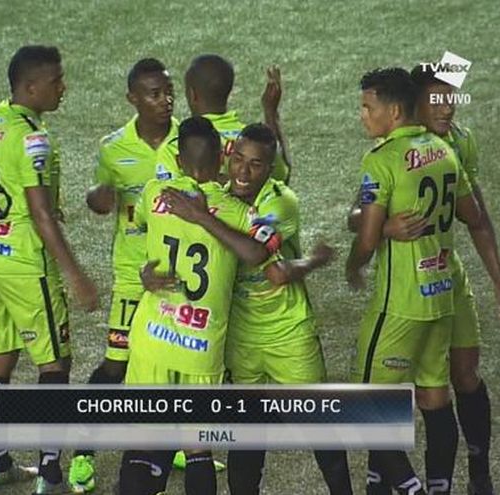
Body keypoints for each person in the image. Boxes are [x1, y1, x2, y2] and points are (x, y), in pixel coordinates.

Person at [349, 65, 500, 495]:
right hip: (437, 289)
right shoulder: (435, 150)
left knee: (448, 379)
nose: (448, 108)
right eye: (437, 100)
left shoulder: (448, 144)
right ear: (414, 105)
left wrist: (499, 283)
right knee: (430, 392)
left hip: (419, 292)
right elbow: (359, 215)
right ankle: (388, 482)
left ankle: (468, 476)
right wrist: (384, 226)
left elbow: (476, 218)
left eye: (451, 99)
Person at [161, 123, 353, 494]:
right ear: (227, 156)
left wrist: (312, 261)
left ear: (270, 168)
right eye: (238, 160)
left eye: (256, 165)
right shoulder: (219, 198)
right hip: (240, 336)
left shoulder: (279, 202)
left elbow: (273, 269)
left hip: (287, 332)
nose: (243, 172)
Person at [0, 44, 98, 495]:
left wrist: (10, 210)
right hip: (24, 263)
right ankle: (50, 473)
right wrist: (75, 274)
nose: (63, 87)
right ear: (31, 87)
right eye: (56, 80)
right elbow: (39, 214)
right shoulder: (32, 138)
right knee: (55, 363)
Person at [118, 116, 275, 495]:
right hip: (201, 346)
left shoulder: (155, 193)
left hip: (153, 339)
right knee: (197, 448)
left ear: (178, 159)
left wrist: (144, 273)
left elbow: (141, 231)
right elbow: (258, 253)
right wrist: (204, 217)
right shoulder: (239, 212)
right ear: (222, 159)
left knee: (143, 442)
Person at [72, 57, 179, 493]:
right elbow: (99, 195)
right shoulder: (113, 147)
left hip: (178, 276)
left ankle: (171, 443)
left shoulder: (188, 140)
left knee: (174, 364)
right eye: (154, 94)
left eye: (169, 92)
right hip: (134, 277)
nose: (165, 100)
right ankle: (83, 448)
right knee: (117, 366)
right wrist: (97, 197)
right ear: (133, 98)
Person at [155, 55, 292, 183]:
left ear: (192, 95)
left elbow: (167, 197)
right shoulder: (254, 143)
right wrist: (271, 113)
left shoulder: (175, 147)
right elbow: (282, 177)